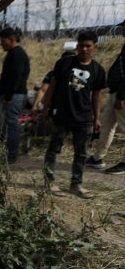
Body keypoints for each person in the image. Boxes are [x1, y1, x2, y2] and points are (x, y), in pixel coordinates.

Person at [42, 31, 106, 198]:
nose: (84, 49)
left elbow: (97, 96)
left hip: (84, 118)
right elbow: (52, 87)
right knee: (53, 149)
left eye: (88, 46)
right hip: (62, 115)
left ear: (94, 47)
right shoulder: (64, 64)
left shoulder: (98, 70)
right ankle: (48, 182)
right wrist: (45, 109)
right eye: (81, 45)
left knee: (81, 152)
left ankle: (76, 184)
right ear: (77, 47)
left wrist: (97, 118)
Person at [86, 20, 125, 174]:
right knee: (106, 125)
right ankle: (97, 158)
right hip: (115, 93)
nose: (122, 28)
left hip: (122, 95)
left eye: (124, 26)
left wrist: (121, 96)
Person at [0, 27, 30, 164]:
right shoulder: (13, 53)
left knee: (11, 124)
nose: (1, 43)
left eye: (3, 41)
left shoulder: (17, 54)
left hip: (14, 96)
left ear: (11, 40)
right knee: (6, 124)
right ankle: (6, 153)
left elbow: (16, 77)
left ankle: (11, 155)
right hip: (11, 95)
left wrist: (8, 96)